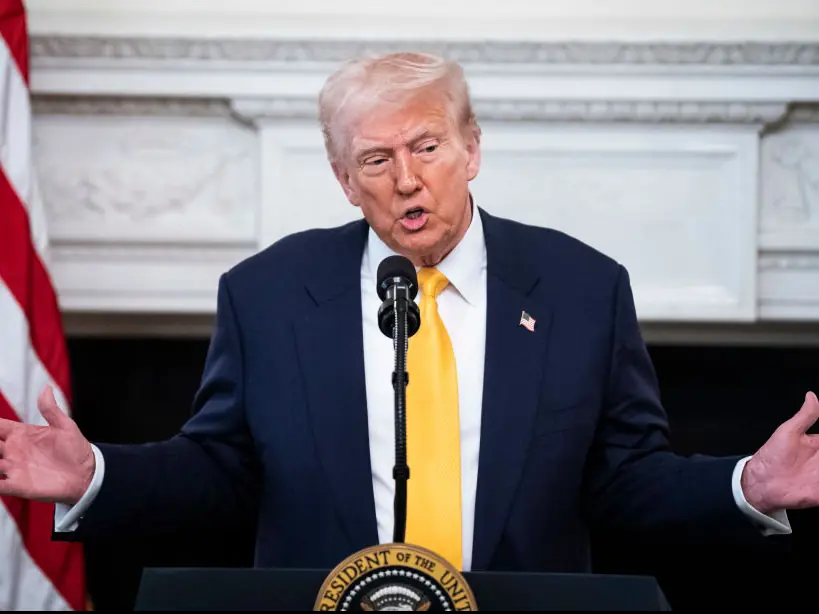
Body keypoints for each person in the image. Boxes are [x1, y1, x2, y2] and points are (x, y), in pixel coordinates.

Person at [0, 52, 817, 577]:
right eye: (375, 159)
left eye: (426, 147)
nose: (405, 179)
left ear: (471, 149)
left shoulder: (580, 289)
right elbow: (219, 471)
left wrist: (746, 483)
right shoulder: (268, 294)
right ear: (343, 180)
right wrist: (97, 473)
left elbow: (623, 478)